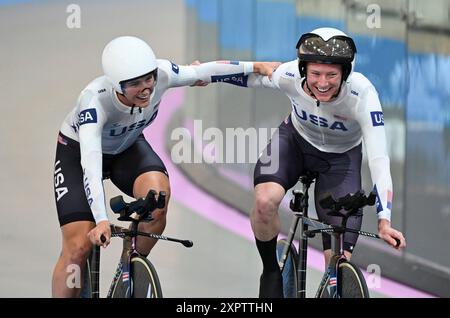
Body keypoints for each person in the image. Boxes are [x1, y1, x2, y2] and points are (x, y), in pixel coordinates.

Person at [51, 35, 278, 297]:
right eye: (135, 84)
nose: (146, 88)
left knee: (158, 199)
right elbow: (90, 164)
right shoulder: (93, 101)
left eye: (148, 79)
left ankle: (130, 262)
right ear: (116, 85)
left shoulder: (162, 73)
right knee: (78, 247)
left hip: (127, 147)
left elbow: (205, 71)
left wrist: (256, 66)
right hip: (77, 152)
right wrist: (101, 220)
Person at [243, 27, 407, 298]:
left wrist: (384, 220)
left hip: (340, 161)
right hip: (294, 143)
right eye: (316, 74)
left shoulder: (363, 94)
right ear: (304, 70)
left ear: (345, 74)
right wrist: (196, 74)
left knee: (338, 260)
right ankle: (271, 270)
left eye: (331, 75)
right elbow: (247, 76)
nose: (322, 83)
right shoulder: (290, 75)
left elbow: (379, 159)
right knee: (264, 203)